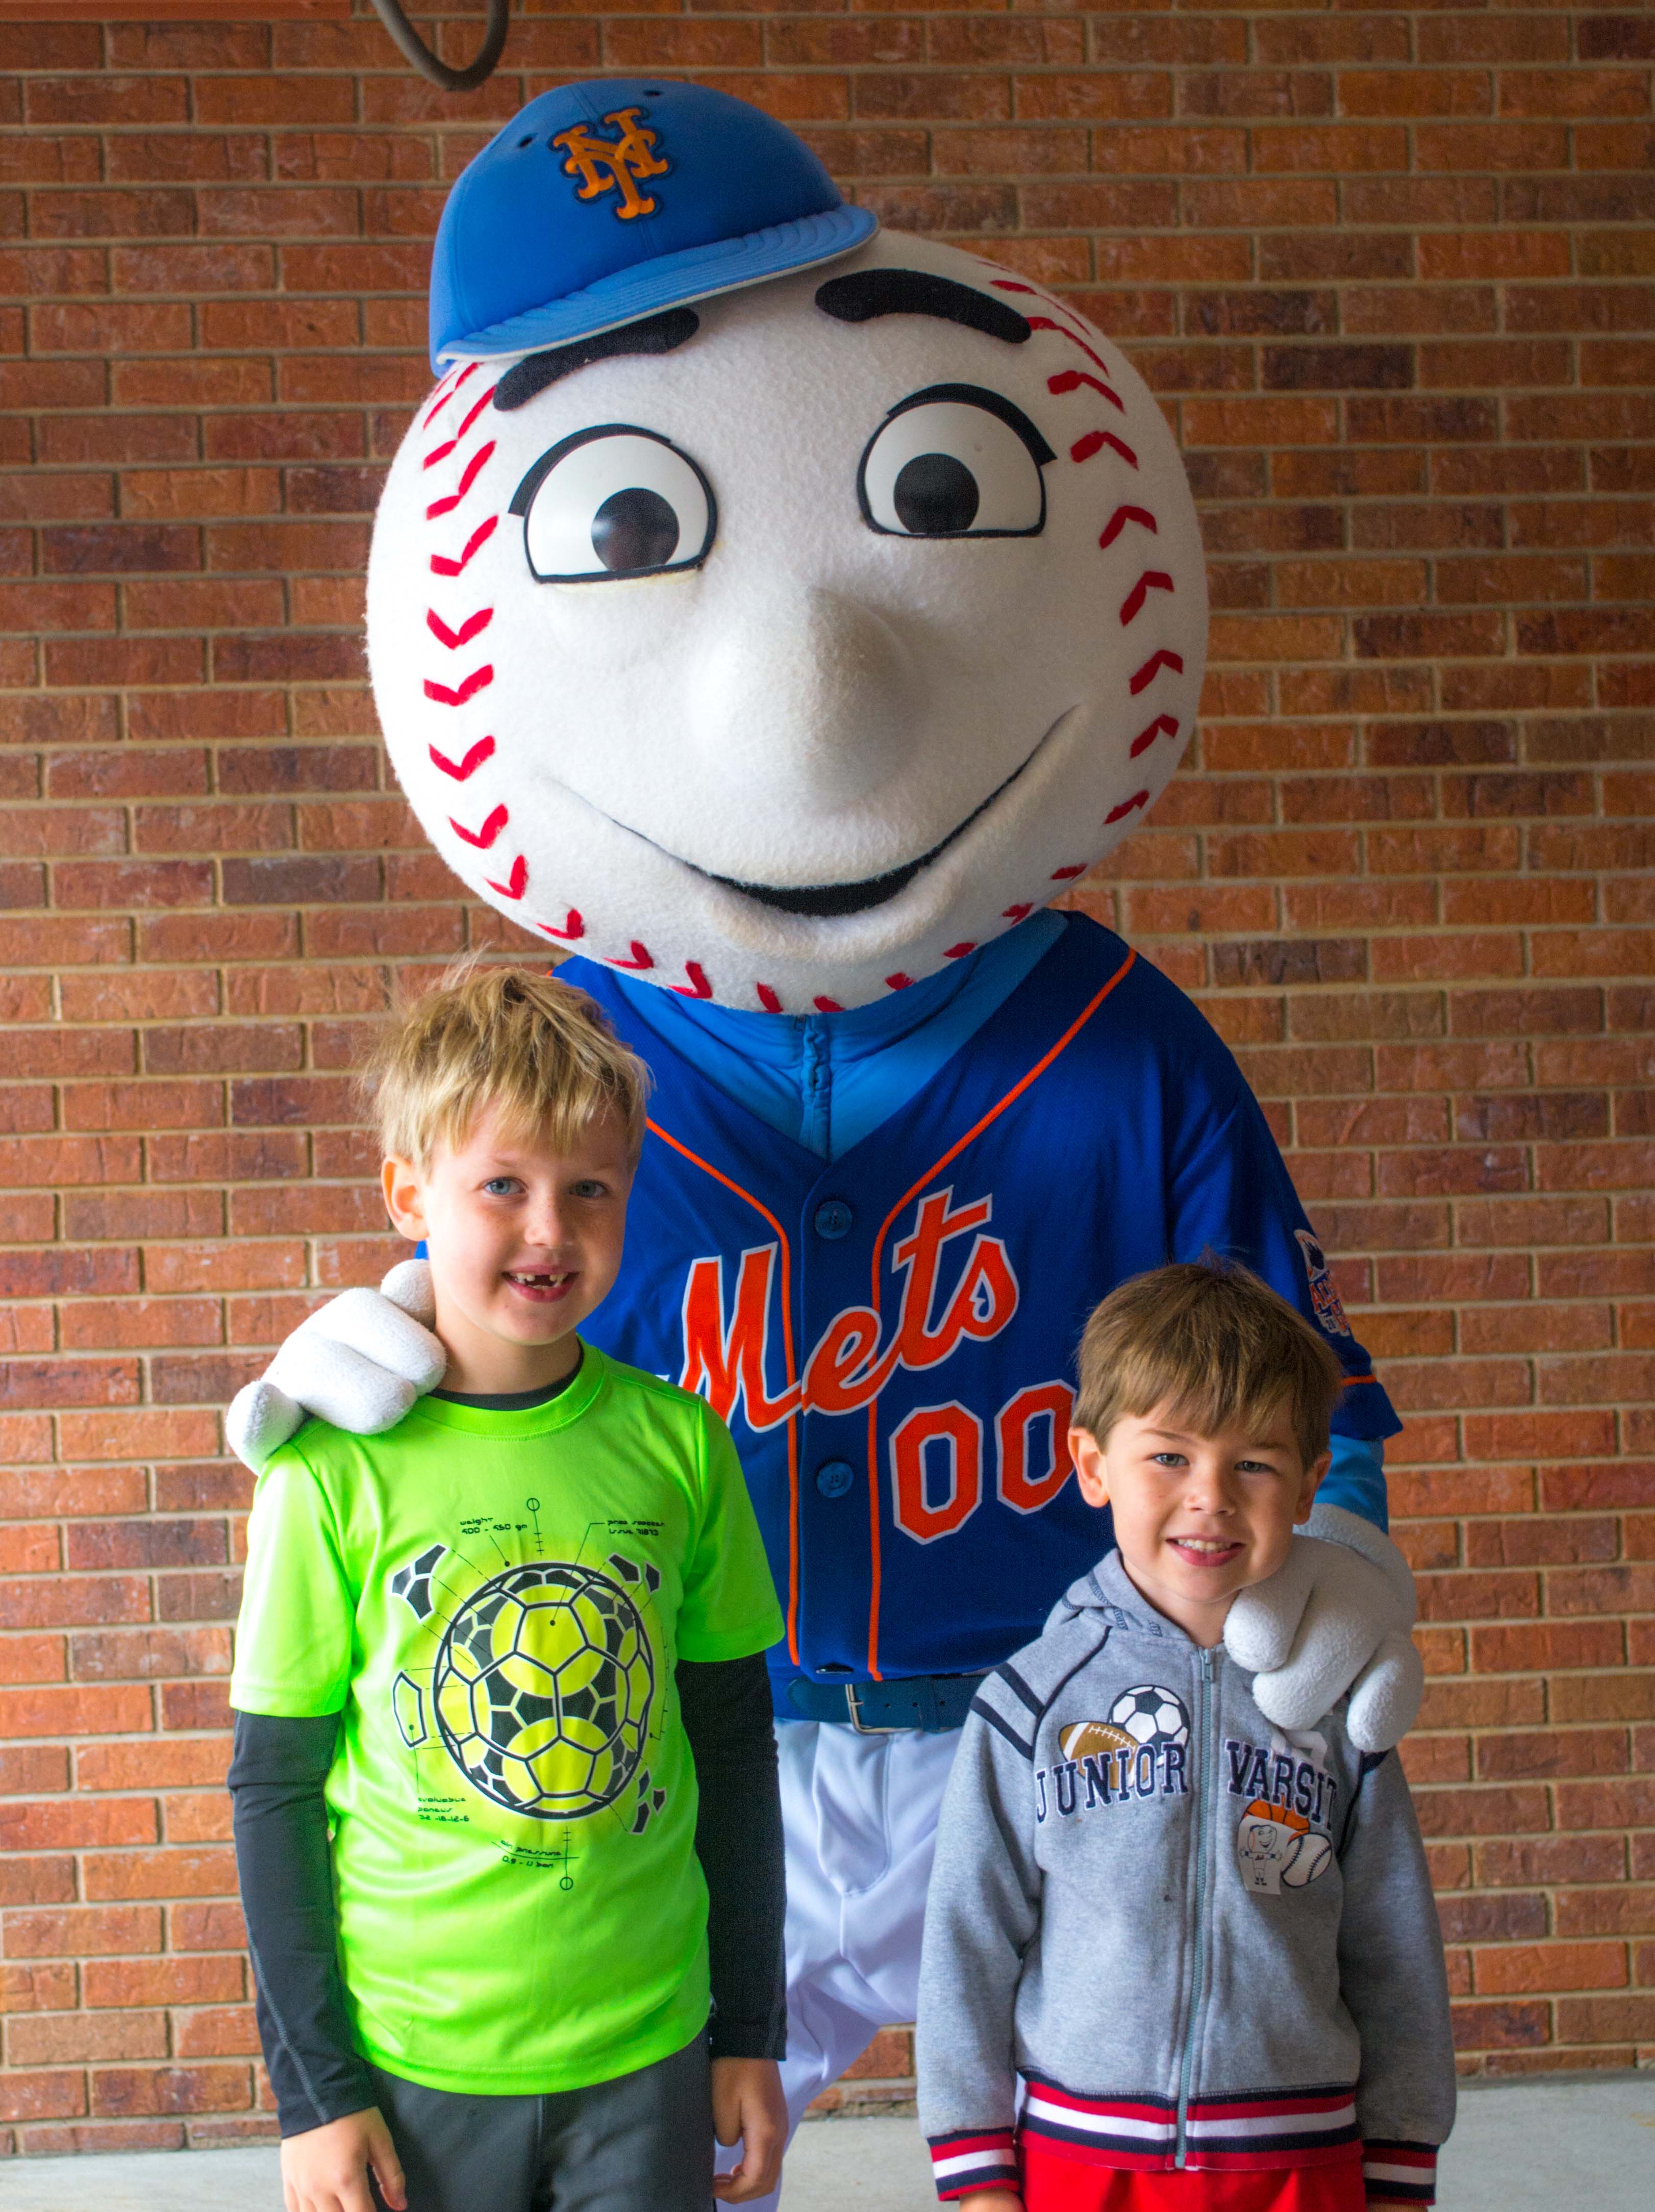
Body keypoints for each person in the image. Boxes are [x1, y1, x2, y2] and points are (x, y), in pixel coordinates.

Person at [223, 82, 1428, 2204]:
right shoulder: (572, 1073)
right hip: (675, 1753)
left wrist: (1338, 1533)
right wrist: (396, 1332)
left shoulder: (1119, 1041)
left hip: (1043, 1722)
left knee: (1094, 2139)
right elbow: (485, 1264)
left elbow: (1286, 1374)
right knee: (654, 2146)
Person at [227, 966, 790, 2212]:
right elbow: (274, 1788)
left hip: (647, 2047)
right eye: (502, 1185)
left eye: (590, 1187)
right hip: (412, 2060)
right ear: (408, 1193)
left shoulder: (680, 1447)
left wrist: (748, 2026)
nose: (550, 1228)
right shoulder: (327, 1472)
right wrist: (313, 2092)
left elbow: (732, 1752)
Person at [917, 1260, 1453, 2212]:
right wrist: (977, 2173)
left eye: (1254, 1464)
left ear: (1309, 1486)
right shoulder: (1031, 1702)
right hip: (1083, 2159)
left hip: (1300, 2159)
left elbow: (1395, 1947)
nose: (1211, 1496)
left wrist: (1402, 2161)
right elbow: (968, 1941)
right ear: (1093, 1466)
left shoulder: (1338, 1704)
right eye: (1169, 1457)